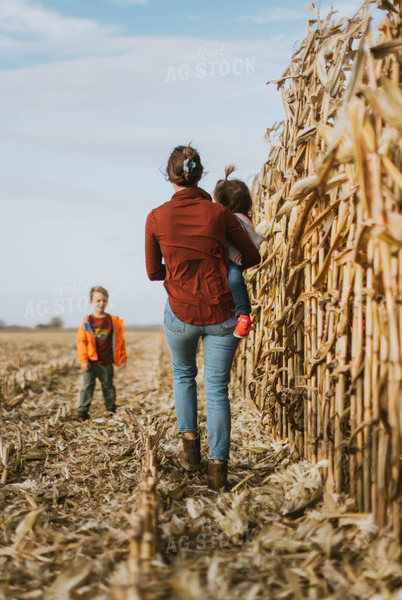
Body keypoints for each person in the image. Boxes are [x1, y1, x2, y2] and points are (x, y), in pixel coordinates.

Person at [144, 145, 262, 491]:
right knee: (217, 390)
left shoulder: (156, 216)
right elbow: (252, 255)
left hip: (180, 312)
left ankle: (190, 453)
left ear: (170, 176)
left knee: (183, 376)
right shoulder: (219, 214)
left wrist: (180, 270)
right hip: (221, 313)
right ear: (200, 175)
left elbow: (153, 272)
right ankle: (217, 470)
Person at [213, 165, 267, 338]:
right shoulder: (244, 218)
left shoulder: (234, 220)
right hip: (236, 258)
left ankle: (243, 314)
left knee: (234, 278)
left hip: (234, 261)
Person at [75, 286, 127, 421]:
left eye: (104, 300)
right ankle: (82, 412)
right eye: (97, 300)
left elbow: (120, 340)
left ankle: (111, 410)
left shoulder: (113, 321)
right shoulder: (87, 321)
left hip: (107, 361)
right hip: (91, 361)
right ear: (91, 302)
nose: (101, 303)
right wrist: (83, 360)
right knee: (87, 387)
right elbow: (82, 341)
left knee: (108, 386)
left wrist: (122, 357)